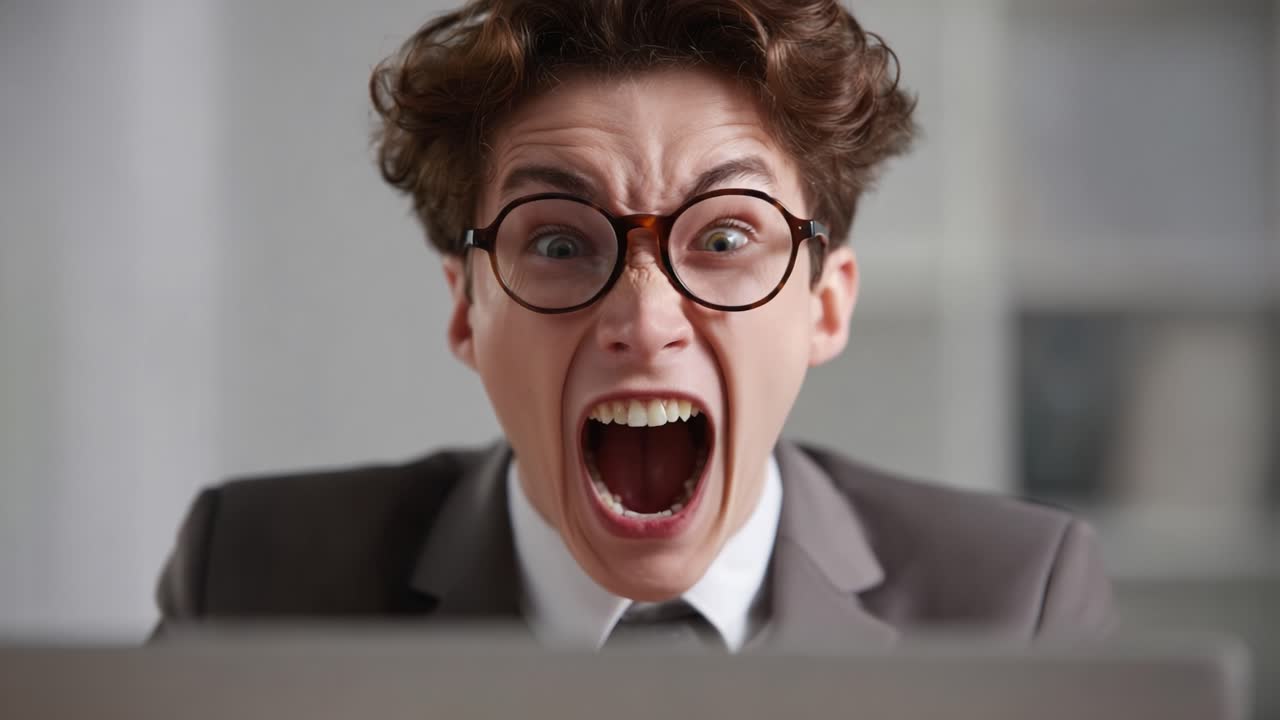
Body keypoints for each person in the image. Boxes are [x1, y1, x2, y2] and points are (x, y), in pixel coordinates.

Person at [154, 0, 1111, 651]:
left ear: (826, 305)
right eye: (559, 244)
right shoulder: (249, 579)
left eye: (726, 237)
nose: (646, 321)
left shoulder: (1017, 602)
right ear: (465, 309)